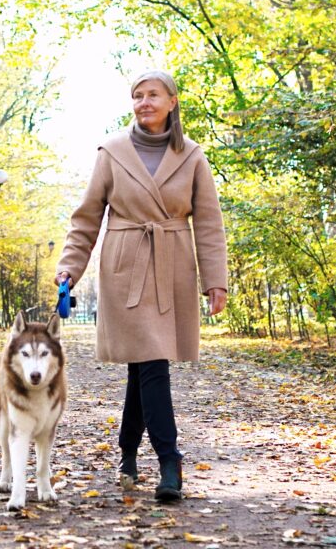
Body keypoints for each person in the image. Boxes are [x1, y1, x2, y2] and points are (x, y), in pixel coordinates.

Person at [55, 69, 228, 503]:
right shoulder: (111, 152)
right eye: (137, 96)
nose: (144, 102)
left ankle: (128, 450)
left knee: (145, 365)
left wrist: (215, 281)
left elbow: (208, 223)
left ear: (172, 102)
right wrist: (69, 269)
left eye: (153, 95)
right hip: (125, 266)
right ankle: (170, 460)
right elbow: (87, 216)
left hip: (172, 267)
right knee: (151, 363)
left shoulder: (192, 156)